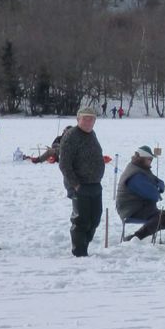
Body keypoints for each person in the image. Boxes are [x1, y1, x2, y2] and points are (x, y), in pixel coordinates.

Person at [59, 106, 104, 257]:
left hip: (95, 184)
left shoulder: (92, 134)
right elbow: (64, 163)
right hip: (79, 185)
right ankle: (79, 252)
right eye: (85, 118)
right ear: (78, 119)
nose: (88, 121)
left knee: (95, 219)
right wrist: (75, 184)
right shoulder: (71, 135)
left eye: (91, 119)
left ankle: (84, 244)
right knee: (81, 220)